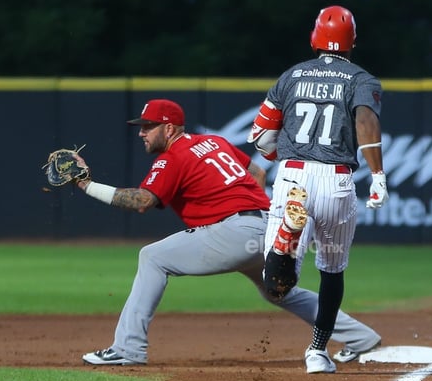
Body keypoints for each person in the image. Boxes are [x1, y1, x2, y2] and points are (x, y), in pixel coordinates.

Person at [77, 98, 381, 366]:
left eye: (149, 126)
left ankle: (127, 348)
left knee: (152, 257)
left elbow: (142, 201)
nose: (141, 132)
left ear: (169, 129)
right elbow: (258, 172)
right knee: (279, 292)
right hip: (270, 226)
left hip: (236, 230)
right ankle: (360, 338)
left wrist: (87, 185)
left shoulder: (173, 156)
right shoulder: (215, 143)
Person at [247, 5, 389, 374]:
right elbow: (365, 122)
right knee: (332, 271)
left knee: (274, 283)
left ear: (314, 37)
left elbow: (261, 137)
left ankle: (287, 244)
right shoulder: (362, 79)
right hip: (337, 182)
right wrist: (378, 176)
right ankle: (317, 351)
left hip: (293, 176)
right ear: (352, 42)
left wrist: (289, 150)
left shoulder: (292, 76)